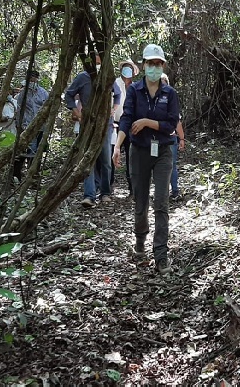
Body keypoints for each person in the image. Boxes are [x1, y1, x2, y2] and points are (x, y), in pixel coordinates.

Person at [112, 44, 180, 275]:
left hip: (162, 151)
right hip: (139, 151)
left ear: (162, 66)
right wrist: (118, 146)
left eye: (158, 64)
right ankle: (140, 239)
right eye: (150, 63)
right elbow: (127, 117)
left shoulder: (170, 93)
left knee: (161, 202)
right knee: (140, 200)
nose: (154, 67)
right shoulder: (134, 91)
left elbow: (172, 124)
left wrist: (148, 123)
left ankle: (161, 254)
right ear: (143, 66)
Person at [65, 53, 121, 208]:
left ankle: (105, 193)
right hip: (87, 125)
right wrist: (78, 114)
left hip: (106, 125)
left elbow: (118, 95)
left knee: (105, 161)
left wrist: (113, 110)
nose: (96, 65)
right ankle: (89, 196)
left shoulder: (108, 77)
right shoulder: (82, 78)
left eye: (99, 62)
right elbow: (68, 96)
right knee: (87, 160)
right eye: (94, 62)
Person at [13, 70, 49, 181]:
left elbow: (48, 109)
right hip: (25, 128)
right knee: (21, 153)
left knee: (36, 154)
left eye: (34, 78)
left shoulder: (44, 93)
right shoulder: (22, 94)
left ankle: (33, 178)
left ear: (37, 79)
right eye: (30, 78)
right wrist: (19, 126)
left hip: (40, 128)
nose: (32, 80)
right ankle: (16, 177)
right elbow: (19, 111)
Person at [113, 59, 139, 195]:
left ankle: (132, 187)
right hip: (115, 124)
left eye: (130, 67)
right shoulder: (115, 83)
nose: (127, 69)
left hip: (131, 126)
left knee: (131, 156)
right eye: (125, 67)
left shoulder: (135, 87)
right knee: (112, 153)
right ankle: (108, 187)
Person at [160, 73, 185, 200]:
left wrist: (181, 138)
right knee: (159, 166)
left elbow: (177, 122)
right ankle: (162, 192)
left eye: (164, 82)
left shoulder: (171, 101)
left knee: (171, 165)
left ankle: (174, 191)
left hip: (170, 139)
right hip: (156, 140)